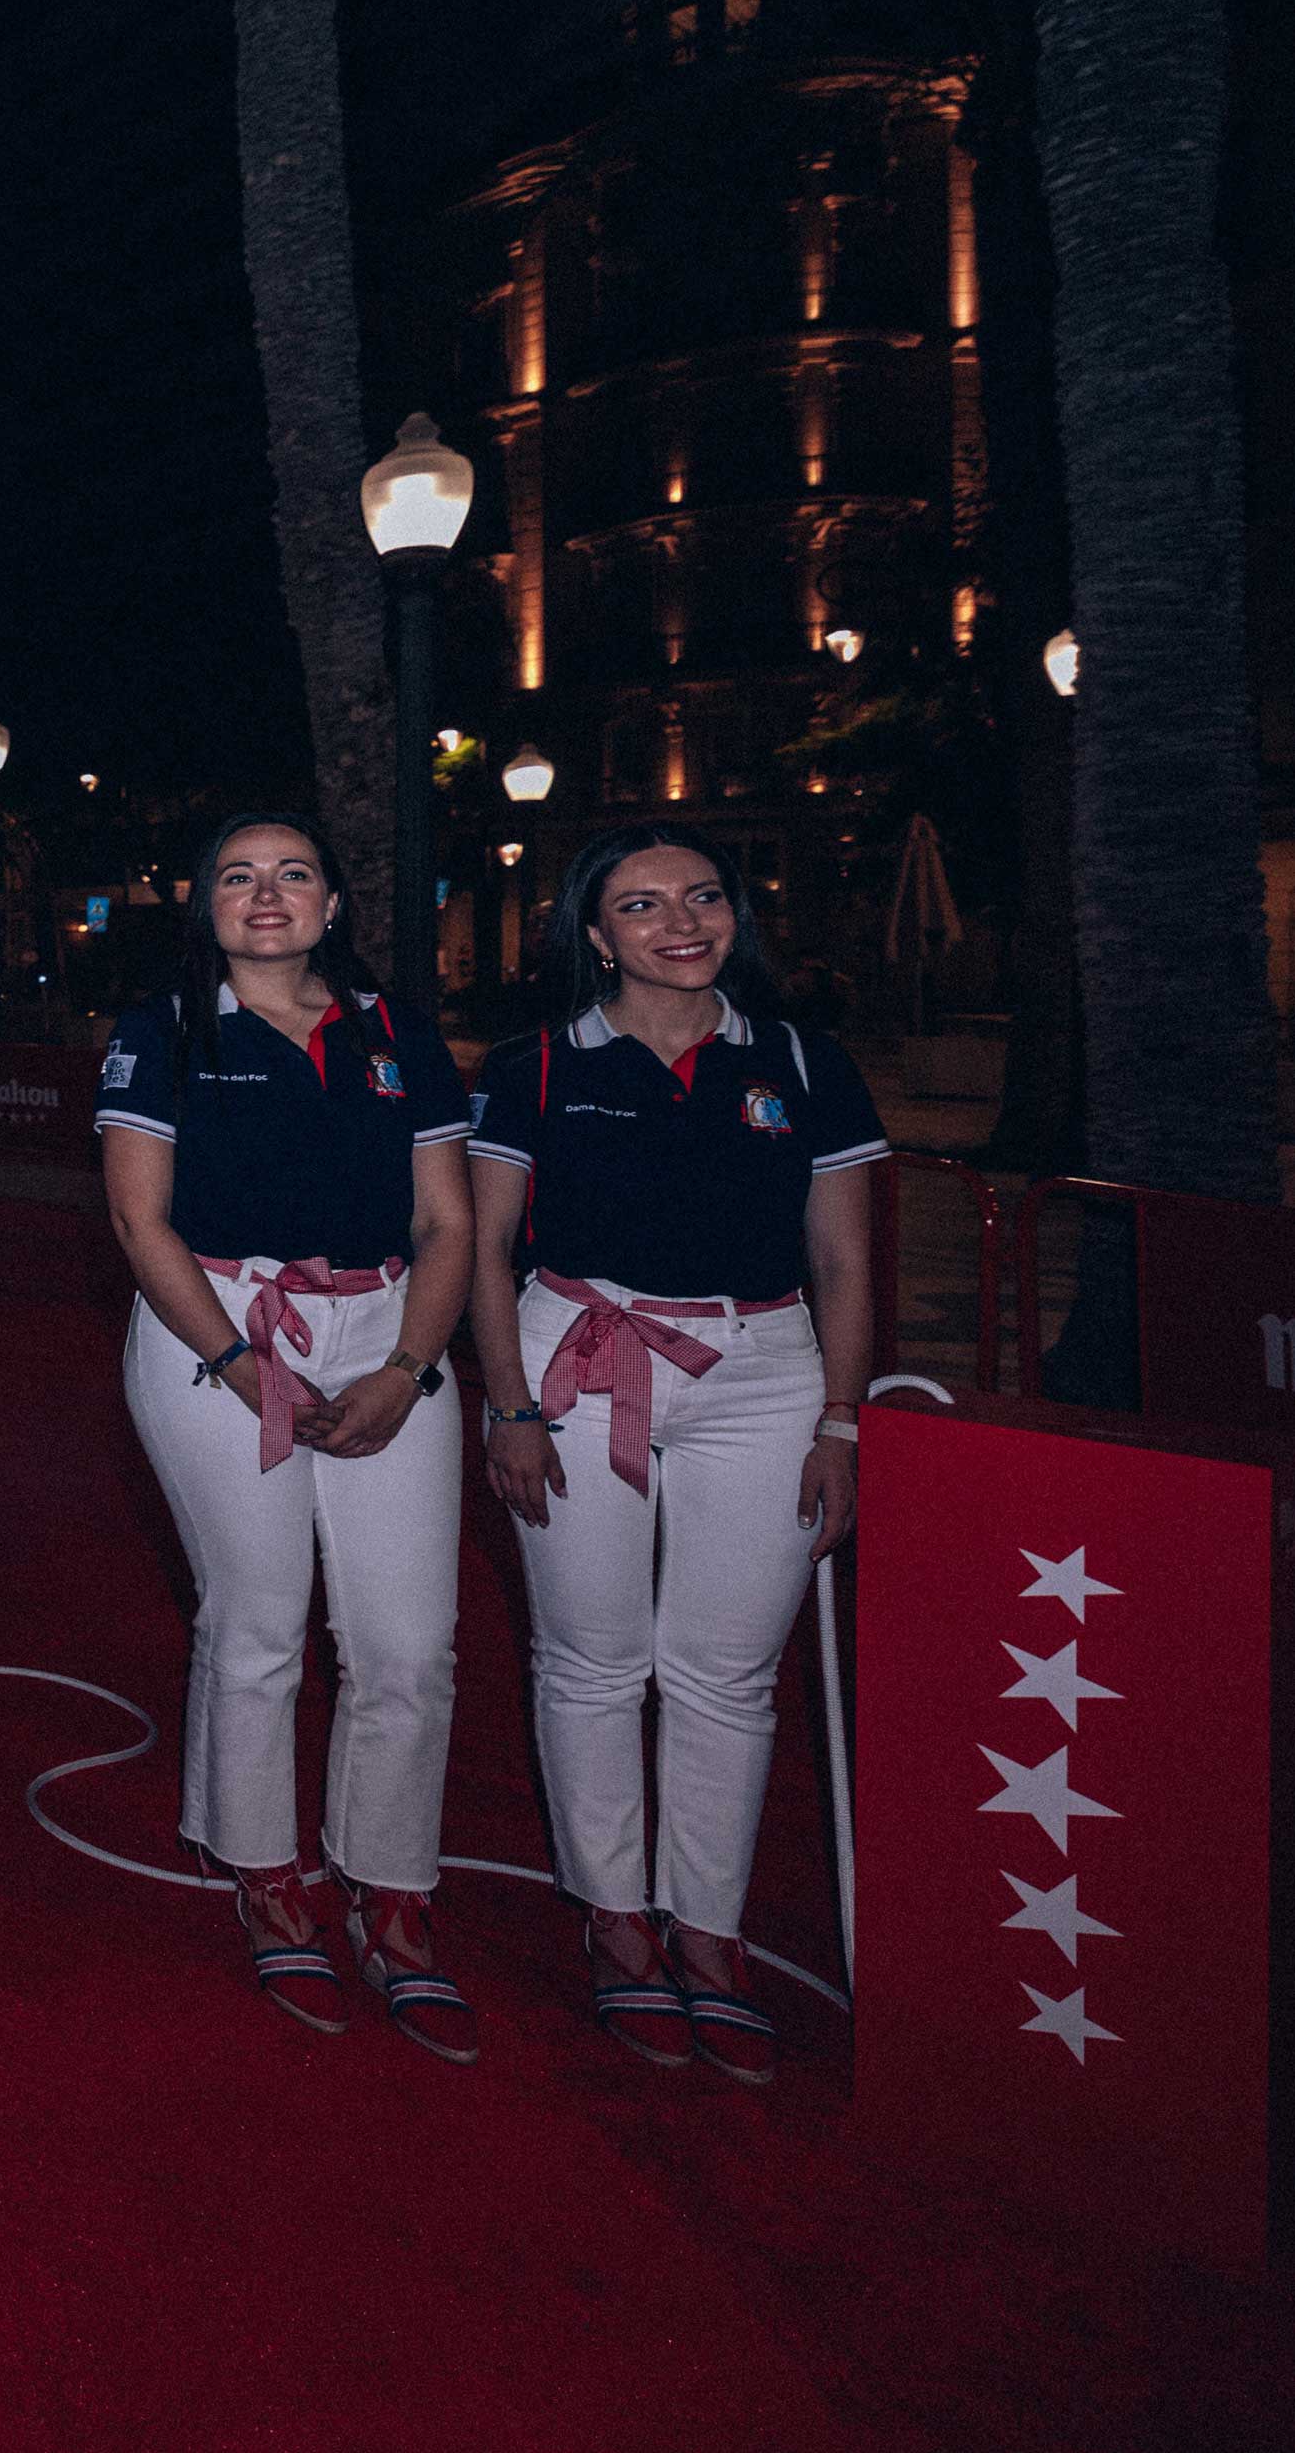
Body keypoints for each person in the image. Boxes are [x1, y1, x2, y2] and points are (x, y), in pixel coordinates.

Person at [466, 824, 881, 2086]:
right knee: (591, 1659)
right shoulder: (536, 1065)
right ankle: (615, 1919)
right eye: (640, 905)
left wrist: (841, 1421)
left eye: (701, 897)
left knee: (726, 1675)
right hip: (578, 1358)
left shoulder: (799, 1062)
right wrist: (508, 1407)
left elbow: (843, 1260)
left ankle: (708, 1931)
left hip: (764, 1375)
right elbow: (481, 1249)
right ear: (596, 935)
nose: (679, 923)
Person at [95, 813, 480, 2058]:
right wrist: (237, 1361)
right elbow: (140, 1223)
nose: (266, 895)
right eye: (238, 877)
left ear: (331, 905)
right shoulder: (163, 1030)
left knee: (409, 1644)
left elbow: (447, 1224)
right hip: (214, 1326)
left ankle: (392, 1893)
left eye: (293, 874)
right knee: (258, 1621)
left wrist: (408, 1369)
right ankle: (266, 1875)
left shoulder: (395, 1035)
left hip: (386, 1329)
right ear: (204, 906)